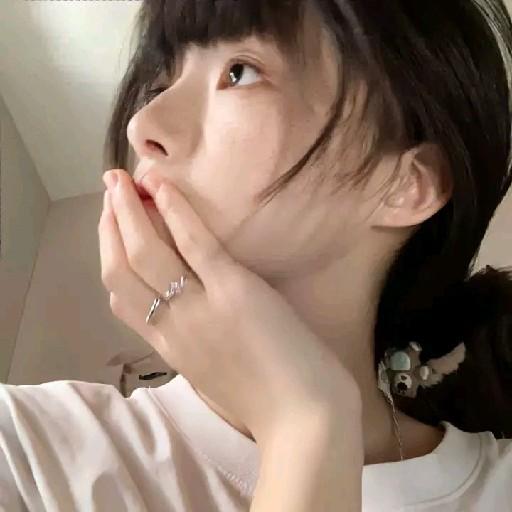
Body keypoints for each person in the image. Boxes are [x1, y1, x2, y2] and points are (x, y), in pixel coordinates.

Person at [1, 0, 512, 510]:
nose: (142, 124)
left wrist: (306, 427)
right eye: (158, 86)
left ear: (406, 184)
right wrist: (304, 425)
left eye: (239, 71)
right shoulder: (24, 451)